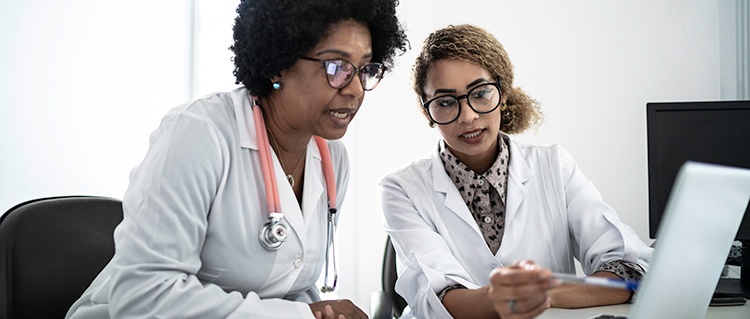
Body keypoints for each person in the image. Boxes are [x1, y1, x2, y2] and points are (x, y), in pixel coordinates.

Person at [66, 1, 407, 318]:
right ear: (277, 65)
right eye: (336, 67)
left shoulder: (331, 159)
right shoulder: (199, 134)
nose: (356, 89)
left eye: (365, 69)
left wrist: (320, 310)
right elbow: (144, 296)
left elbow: (290, 286)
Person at [378, 24, 653, 319]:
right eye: (446, 102)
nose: (468, 116)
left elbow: (629, 270)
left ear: (503, 92)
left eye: (481, 93)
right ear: (426, 111)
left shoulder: (554, 165)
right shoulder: (400, 188)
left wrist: (545, 296)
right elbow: (438, 299)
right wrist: (523, 299)